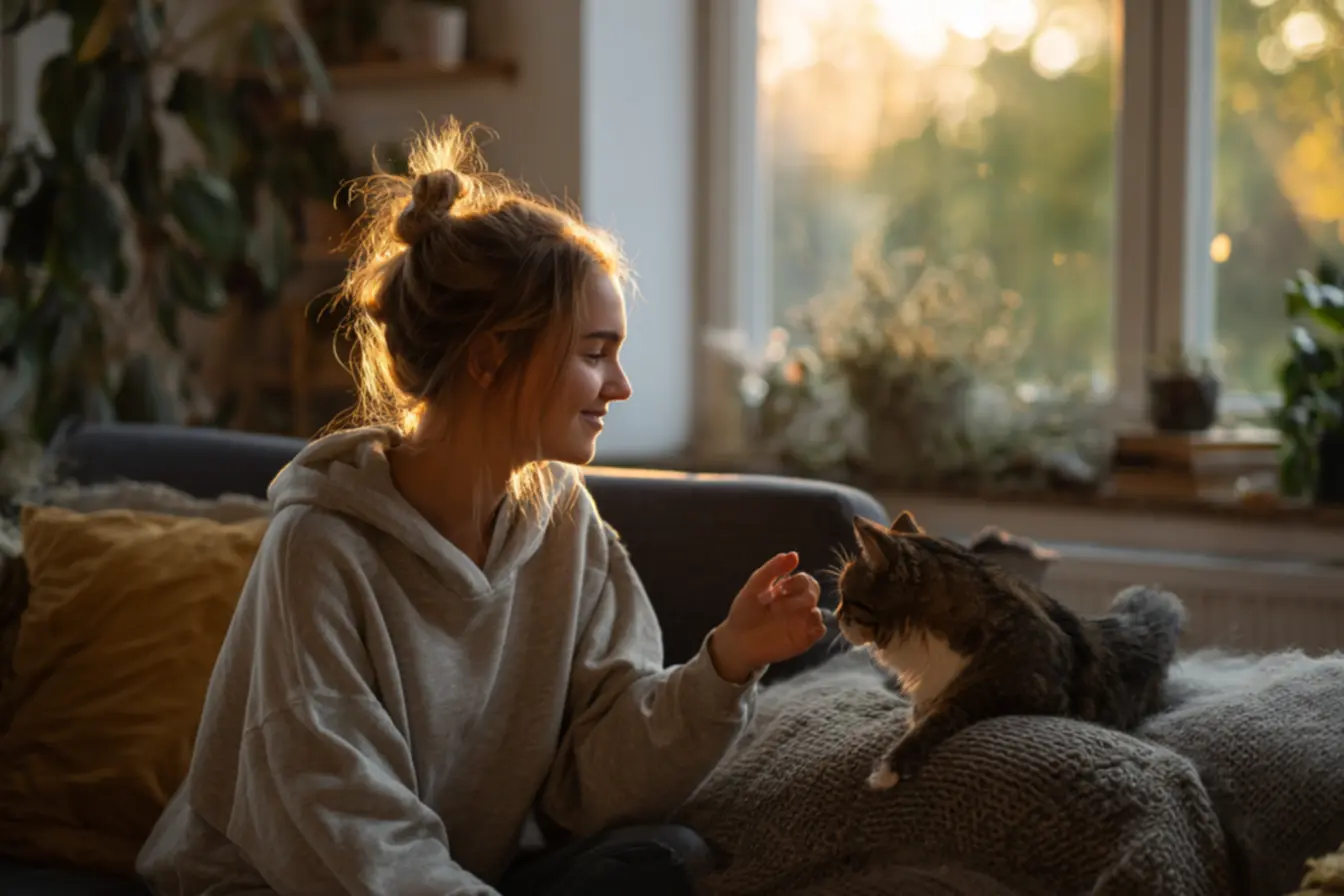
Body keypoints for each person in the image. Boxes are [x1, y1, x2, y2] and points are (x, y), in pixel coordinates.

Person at [135, 121, 828, 896]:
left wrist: (727, 662)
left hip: (448, 878)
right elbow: (347, 825)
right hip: (278, 884)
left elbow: (590, 784)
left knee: (663, 861)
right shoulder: (319, 548)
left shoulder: (566, 527)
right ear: (492, 355)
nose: (621, 386)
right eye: (595, 352)